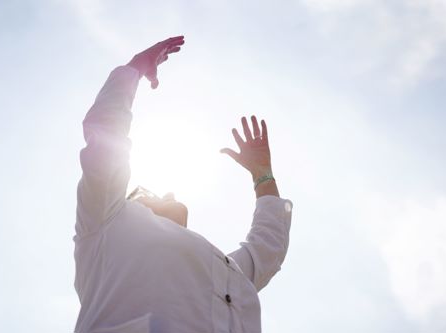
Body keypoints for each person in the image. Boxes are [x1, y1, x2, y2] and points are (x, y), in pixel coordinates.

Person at [74, 36, 293, 333]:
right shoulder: (108, 219)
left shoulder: (222, 266)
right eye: (150, 194)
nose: (170, 193)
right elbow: (106, 142)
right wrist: (133, 70)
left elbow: (267, 249)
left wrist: (262, 175)